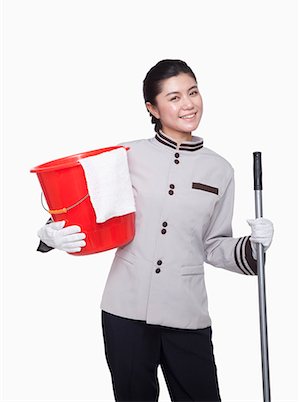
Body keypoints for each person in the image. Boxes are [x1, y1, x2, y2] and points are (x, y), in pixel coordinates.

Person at [37, 59, 274, 402]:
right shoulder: (125, 156)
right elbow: (83, 211)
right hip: (125, 312)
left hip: (187, 312)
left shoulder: (220, 170)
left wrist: (255, 245)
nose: (188, 104)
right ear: (153, 107)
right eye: (174, 97)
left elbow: (213, 244)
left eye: (193, 92)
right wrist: (48, 236)